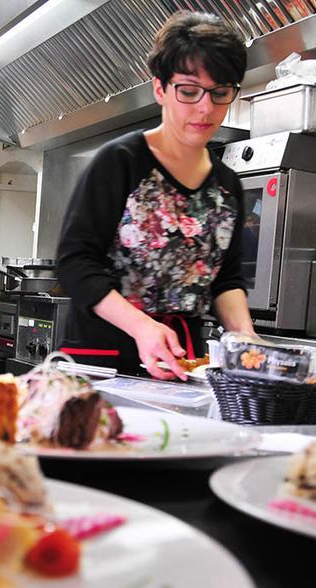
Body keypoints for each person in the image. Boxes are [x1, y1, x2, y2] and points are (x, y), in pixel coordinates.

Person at [56, 10, 256, 381]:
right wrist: (142, 327)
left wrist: (246, 338)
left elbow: (226, 281)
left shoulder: (227, 185)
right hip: (104, 361)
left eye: (220, 92)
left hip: (181, 364)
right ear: (160, 88)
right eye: (189, 90)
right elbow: (74, 262)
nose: (205, 107)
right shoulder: (122, 162)